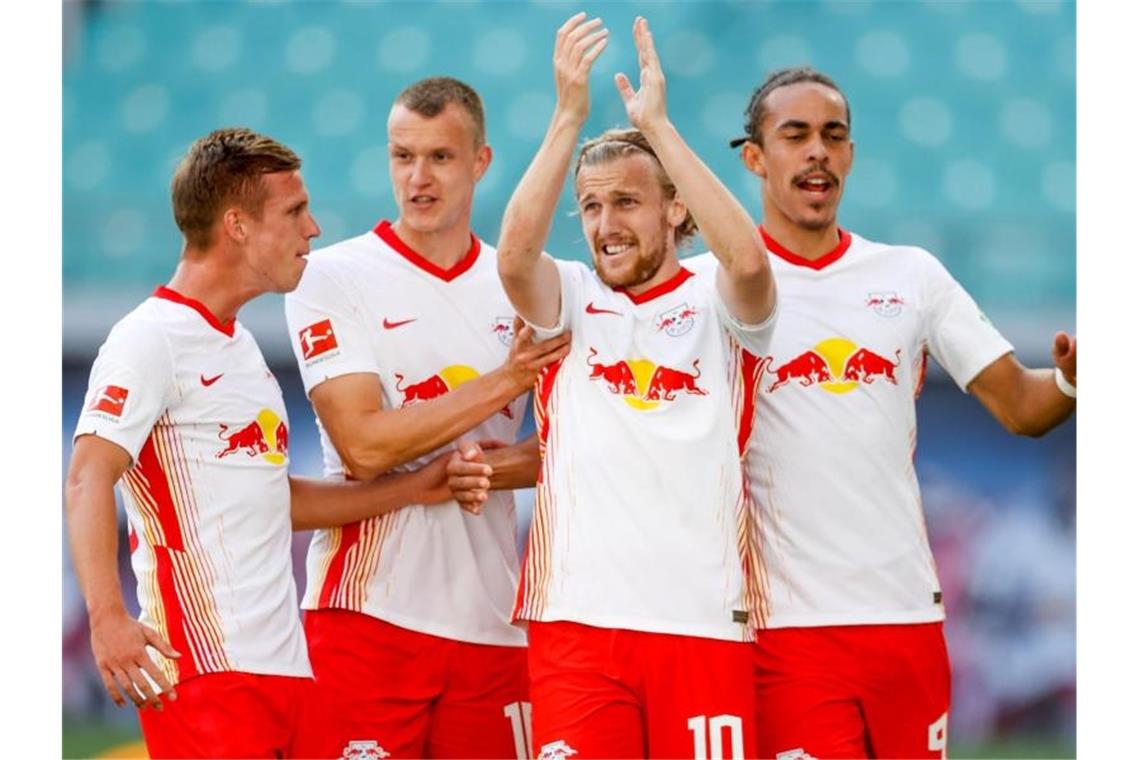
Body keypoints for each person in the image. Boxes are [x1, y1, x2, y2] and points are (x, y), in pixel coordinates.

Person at [64, 127, 469, 759]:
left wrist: (415, 487)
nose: (313, 229)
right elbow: (88, 477)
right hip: (203, 670)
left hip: (287, 671)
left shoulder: (241, 347)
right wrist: (108, 616)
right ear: (238, 225)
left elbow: (272, 500)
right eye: (295, 211)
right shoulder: (150, 338)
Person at [722, 67, 1077, 760]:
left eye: (833, 135)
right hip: (786, 629)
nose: (817, 151)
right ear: (755, 158)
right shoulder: (712, 289)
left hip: (907, 622)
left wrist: (1069, 380)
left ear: (851, 155)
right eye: (795, 135)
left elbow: (1023, 407)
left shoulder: (910, 276)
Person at [495, 15, 776, 759]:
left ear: (674, 206)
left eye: (625, 201)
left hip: (704, 619)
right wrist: (567, 117)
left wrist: (656, 125)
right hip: (577, 622)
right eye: (590, 207)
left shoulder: (717, 296)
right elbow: (516, 255)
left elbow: (749, 264)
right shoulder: (575, 297)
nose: (605, 224)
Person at [282, 76, 570, 760]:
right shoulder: (333, 276)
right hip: (366, 617)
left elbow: (571, 445)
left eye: (440, 157)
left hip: (496, 623)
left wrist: (483, 472)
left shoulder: (531, 283)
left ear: (481, 162)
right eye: (401, 155)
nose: (417, 178)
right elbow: (363, 447)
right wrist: (504, 381)